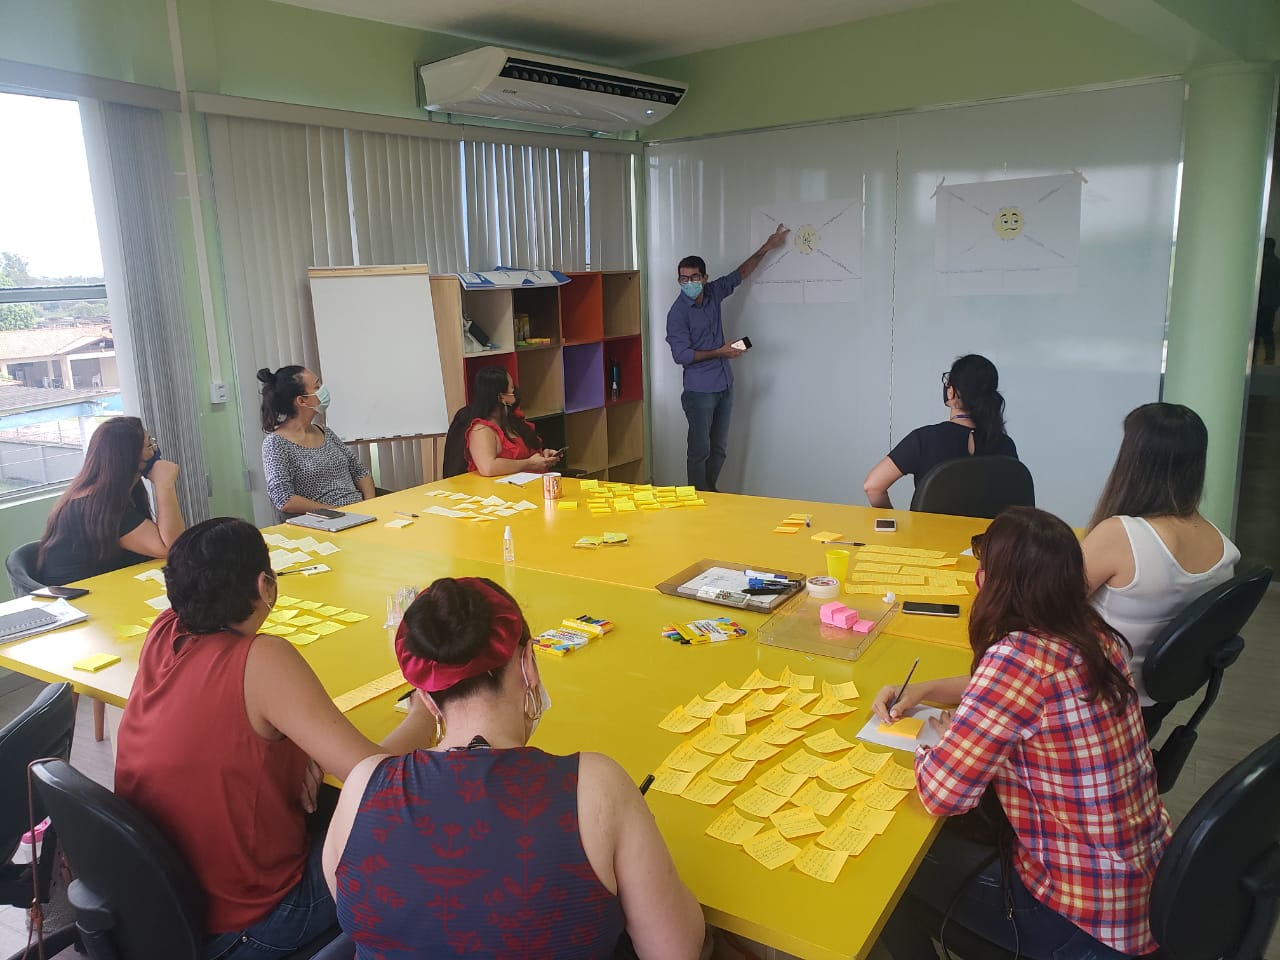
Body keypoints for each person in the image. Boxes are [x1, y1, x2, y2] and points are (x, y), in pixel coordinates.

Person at [323, 576, 706, 960]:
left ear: (425, 697)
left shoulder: (362, 787)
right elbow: (675, 950)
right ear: (528, 665)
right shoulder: (596, 788)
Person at [114, 518, 438, 960]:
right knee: (408, 827)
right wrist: (426, 709)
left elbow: (223, 730)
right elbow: (376, 779)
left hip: (167, 907)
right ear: (266, 586)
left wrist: (305, 749)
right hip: (254, 919)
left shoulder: (164, 629)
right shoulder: (262, 658)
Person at [874, 507, 1171, 960]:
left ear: (992, 581)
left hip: (1080, 920)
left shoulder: (1016, 661)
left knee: (886, 879)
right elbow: (1017, 693)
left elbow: (942, 796)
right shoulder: (1094, 635)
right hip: (1144, 889)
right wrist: (931, 689)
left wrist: (941, 738)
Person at [1081, 402, 1239, 708]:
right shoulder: (1224, 550)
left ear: (1134, 461)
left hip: (1095, 699)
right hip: (1149, 707)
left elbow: (1043, 604)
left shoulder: (1122, 534)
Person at [665, 224, 790, 492]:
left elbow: (740, 273)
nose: (689, 283)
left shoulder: (713, 293)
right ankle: (697, 498)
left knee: (719, 449)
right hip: (699, 392)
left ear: (705, 277)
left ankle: (709, 494)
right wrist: (719, 351)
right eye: (683, 279)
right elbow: (681, 355)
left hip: (724, 385)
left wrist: (767, 246)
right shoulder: (677, 314)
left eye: (694, 277)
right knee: (700, 450)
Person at [37, 416, 184, 585]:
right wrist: (164, 485)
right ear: (128, 457)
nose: (155, 451)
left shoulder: (116, 492)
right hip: (80, 597)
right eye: (149, 445)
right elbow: (172, 547)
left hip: (103, 585)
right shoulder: (98, 505)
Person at [863, 353, 1017, 509]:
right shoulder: (1006, 446)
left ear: (951, 392)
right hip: (987, 534)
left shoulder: (924, 439)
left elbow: (873, 486)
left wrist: (894, 525)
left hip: (927, 534)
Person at [258, 365, 374, 515]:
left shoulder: (325, 431)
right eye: (317, 387)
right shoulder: (275, 443)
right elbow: (284, 499)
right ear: (301, 401)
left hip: (359, 513)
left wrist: (370, 506)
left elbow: (360, 472)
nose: (323, 390)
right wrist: (339, 512)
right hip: (324, 522)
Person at [443, 365, 560, 478]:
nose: (515, 391)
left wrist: (544, 456)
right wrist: (529, 464)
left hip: (537, 483)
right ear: (501, 397)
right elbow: (488, 467)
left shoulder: (513, 421)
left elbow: (528, 453)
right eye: (512, 388)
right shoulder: (481, 429)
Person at [1256, 237, 1279, 364]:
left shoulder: (1264, 264)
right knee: (1267, 330)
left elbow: (1262, 285)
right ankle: (1270, 357)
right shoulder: (1277, 263)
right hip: (1270, 303)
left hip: (1263, 302)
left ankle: (1256, 357)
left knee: (1260, 331)